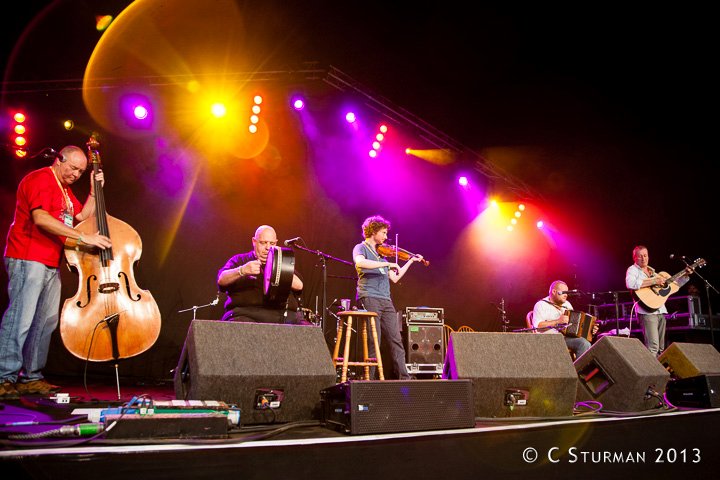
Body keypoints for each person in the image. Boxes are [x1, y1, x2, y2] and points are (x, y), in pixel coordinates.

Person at [0, 146, 112, 399]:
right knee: (21, 318)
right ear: (59, 160)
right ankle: (3, 376)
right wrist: (84, 237)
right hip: (28, 256)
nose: (75, 174)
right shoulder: (40, 179)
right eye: (72, 168)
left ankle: (31, 377)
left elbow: (80, 216)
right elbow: (40, 218)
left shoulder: (65, 190)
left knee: (45, 322)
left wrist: (94, 192)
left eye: (81, 171)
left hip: (50, 261)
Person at [353, 215, 424, 380]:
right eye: (383, 233)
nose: (386, 237)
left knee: (396, 339)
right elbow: (360, 263)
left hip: (386, 300)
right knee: (374, 339)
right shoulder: (361, 248)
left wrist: (411, 261)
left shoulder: (382, 257)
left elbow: (395, 278)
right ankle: (368, 379)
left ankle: (404, 377)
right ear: (373, 231)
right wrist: (386, 264)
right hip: (369, 296)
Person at [217, 225, 304, 324]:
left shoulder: (281, 262)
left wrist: (278, 268)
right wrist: (242, 270)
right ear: (254, 242)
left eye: (272, 243)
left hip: (281, 316)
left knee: (310, 332)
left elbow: (299, 286)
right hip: (245, 314)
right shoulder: (240, 260)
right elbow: (221, 279)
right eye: (263, 243)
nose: (267, 247)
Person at [625, 245, 692, 356]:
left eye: (645, 255)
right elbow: (630, 284)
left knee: (661, 348)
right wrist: (653, 281)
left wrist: (686, 275)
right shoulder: (632, 270)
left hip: (660, 310)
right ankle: (650, 373)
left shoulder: (653, 272)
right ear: (634, 258)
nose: (643, 258)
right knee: (653, 347)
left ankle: (660, 372)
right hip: (646, 312)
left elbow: (675, 285)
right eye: (640, 256)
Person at [532, 280, 597, 358]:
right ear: (554, 291)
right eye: (564, 292)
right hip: (549, 339)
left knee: (586, 342)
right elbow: (538, 326)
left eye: (567, 293)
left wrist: (590, 330)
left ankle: (579, 368)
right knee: (583, 343)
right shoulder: (541, 305)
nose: (566, 295)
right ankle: (579, 370)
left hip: (565, 338)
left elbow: (574, 324)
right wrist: (557, 321)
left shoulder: (567, 304)